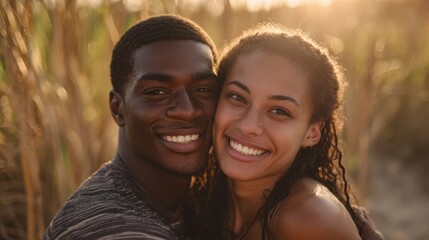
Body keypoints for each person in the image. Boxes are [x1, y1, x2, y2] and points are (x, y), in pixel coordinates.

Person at [198, 24, 384, 240]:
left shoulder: (308, 218)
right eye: (237, 97)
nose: (248, 126)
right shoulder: (206, 197)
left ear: (312, 133)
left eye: (279, 111)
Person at [43, 15, 219, 240]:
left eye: (203, 89)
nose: (187, 110)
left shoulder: (189, 205)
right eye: (157, 92)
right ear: (118, 108)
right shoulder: (116, 228)